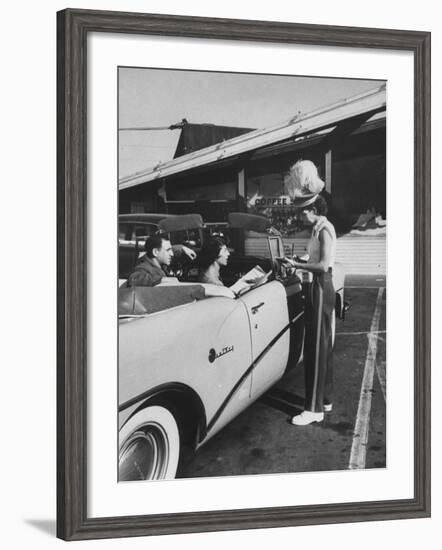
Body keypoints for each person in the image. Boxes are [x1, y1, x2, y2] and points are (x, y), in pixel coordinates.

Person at [284, 160, 336, 426]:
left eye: (304, 212)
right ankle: (324, 400)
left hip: (319, 285)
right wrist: (304, 256)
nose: (300, 216)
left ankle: (313, 409)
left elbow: (323, 265)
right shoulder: (319, 228)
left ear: (314, 210)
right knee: (322, 345)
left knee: (315, 347)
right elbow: (317, 257)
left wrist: (297, 264)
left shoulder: (324, 229)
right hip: (320, 286)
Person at [126, 235, 195, 287]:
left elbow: (164, 250)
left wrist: (181, 248)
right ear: (155, 252)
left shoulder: (157, 262)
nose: (171, 254)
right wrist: (161, 280)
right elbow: (133, 280)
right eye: (168, 250)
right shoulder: (144, 267)